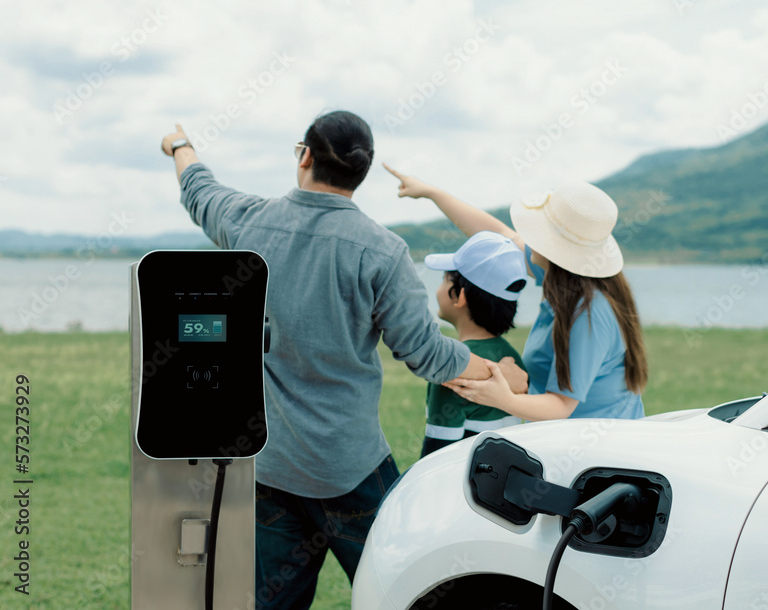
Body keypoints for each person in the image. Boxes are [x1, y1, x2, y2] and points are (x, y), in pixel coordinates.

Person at [160, 114, 526, 609]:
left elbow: (200, 192)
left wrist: (180, 144)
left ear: (305, 156)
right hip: (351, 468)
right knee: (412, 593)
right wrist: (493, 371)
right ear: (362, 173)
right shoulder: (383, 251)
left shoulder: (249, 223)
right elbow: (427, 353)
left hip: (271, 466)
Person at [385, 164, 648, 422]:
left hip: (597, 452)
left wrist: (504, 399)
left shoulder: (590, 313)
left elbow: (562, 405)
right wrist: (432, 193)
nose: (529, 236)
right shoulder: (565, 275)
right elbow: (498, 234)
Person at [421, 231, 529, 457]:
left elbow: (437, 454)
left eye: (444, 279)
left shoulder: (454, 369)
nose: (439, 288)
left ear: (459, 296)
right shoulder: (511, 358)